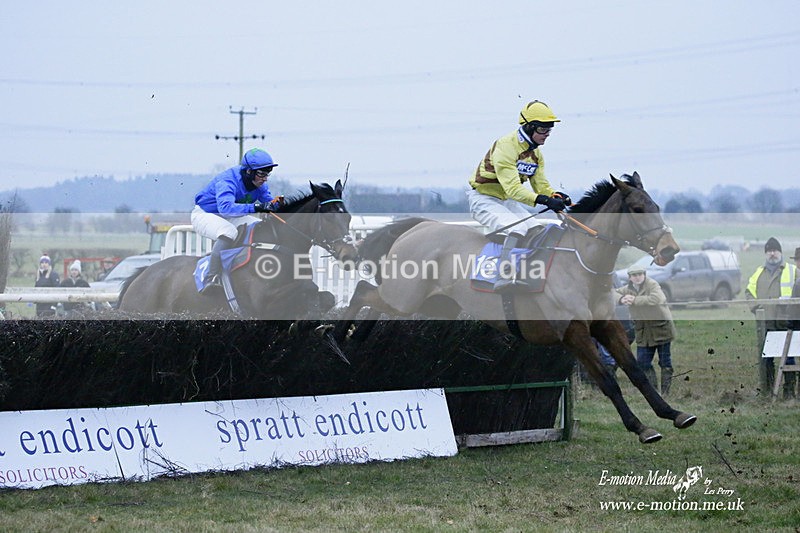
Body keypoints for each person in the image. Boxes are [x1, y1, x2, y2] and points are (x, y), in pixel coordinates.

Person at [467, 100, 572, 292]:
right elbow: (514, 190)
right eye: (542, 129)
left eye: (549, 129)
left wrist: (554, 195)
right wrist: (543, 200)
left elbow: (540, 185)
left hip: (506, 202)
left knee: (536, 229)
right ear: (529, 127)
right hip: (483, 200)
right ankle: (502, 277)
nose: (547, 134)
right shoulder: (506, 146)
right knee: (519, 229)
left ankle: (527, 273)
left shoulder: (536, 155)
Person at [191, 148, 283, 293]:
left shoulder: (260, 185)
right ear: (248, 172)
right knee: (228, 232)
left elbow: (269, 203)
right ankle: (212, 277)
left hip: (228, 216)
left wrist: (279, 205)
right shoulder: (227, 181)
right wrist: (257, 207)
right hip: (205, 214)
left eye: (267, 174)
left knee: (258, 226)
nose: (265, 178)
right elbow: (226, 209)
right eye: (261, 174)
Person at [745, 237, 798, 398]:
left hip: (786, 324)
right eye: (769, 251)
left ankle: (788, 393)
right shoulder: (758, 273)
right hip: (766, 324)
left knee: (788, 359)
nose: (772, 254)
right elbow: (749, 292)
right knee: (767, 360)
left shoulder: (792, 270)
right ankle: (768, 392)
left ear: (780, 253)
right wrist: (756, 307)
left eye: (775, 250)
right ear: (765, 254)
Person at [617, 265, 677, 395]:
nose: (637, 277)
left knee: (665, 362)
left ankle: (666, 393)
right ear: (630, 278)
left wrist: (634, 300)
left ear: (644, 275)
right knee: (642, 363)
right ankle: (654, 392)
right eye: (634, 275)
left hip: (661, 330)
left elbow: (658, 299)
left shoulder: (652, 284)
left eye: (639, 274)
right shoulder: (627, 289)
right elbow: (612, 293)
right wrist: (621, 299)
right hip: (643, 332)